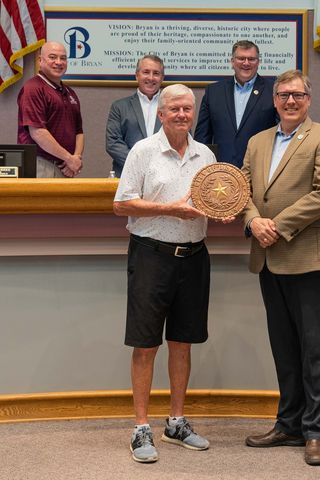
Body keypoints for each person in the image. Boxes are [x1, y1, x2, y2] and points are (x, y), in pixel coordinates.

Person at [242, 70, 320, 466]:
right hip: (267, 257)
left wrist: (276, 226)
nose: (289, 101)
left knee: (313, 350)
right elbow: (242, 190)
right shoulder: (258, 141)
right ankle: (289, 424)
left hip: (307, 256)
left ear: (308, 99)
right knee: (284, 348)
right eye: (283, 95)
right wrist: (253, 222)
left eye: (297, 95)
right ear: (274, 99)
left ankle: (315, 432)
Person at [113, 84, 215, 463]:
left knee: (183, 342)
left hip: (194, 257)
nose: (182, 114)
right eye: (174, 108)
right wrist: (171, 210)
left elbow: (213, 198)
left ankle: (176, 422)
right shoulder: (143, 151)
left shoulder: (206, 154)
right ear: (161, 113)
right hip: (151, 256)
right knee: (145, 344)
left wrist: (221, 208)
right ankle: (141, 427)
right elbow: (121, 205)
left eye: (188, 108)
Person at [194, 40, 277, 168]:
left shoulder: (273, 90)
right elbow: (202, 139)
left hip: (261, 170)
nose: (246, 63)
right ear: (232, 61)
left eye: (251, 59)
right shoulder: (214, 92)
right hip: (221, 173)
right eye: (241, 58)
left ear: (258, 62)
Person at [17, 41, 83, 178]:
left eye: (63, 58)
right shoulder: (33, 88)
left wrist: (76, 158)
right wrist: (69, 159)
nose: (58, 62)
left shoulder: (70, 92)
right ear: (40, 61)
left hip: (67, 168)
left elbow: (79, 131)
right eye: (52, 57)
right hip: (41, 165)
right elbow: (38, 132)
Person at [106, 55, 164, 177]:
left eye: (156, 73)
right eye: (146, 72)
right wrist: (140, 164)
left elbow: (183, 139)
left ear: (162, 78)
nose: (151, 77)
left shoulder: (173, 106)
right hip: (128, 174)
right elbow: (113, 143)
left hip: (164, 176)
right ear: (137, 75)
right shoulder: (119, 107)